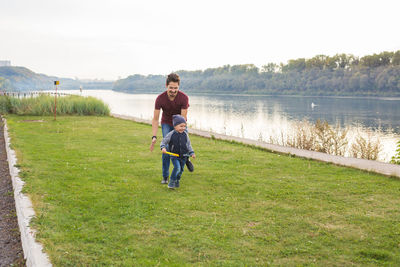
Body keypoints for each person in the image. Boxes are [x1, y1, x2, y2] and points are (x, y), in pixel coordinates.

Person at [150, 73, 193, 184]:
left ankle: (186, 158)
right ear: (166, 86)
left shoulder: (184, 98)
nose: (173, 90)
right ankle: (165, 176)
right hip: (166, 123)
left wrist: (178, 132)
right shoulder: (160, 98)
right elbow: (155, 119)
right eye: (171, 88)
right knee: (166, 149)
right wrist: (154, 136)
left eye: (176, 88)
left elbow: (183, 119)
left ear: (178, 87)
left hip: (180, 124)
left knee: (183, 144)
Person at [160, 115, 195, 189]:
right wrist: (163, 147)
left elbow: (188, 144)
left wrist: (191, 152)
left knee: (181, 170)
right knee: (177, 168)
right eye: (181, 126)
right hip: (174, 155)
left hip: (184, 156)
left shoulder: (185, 134)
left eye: (184, 126)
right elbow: (164, 141)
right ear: (175, 126)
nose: (183, 128)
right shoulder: (171, 134)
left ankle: (177, 180)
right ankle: (171, 182)